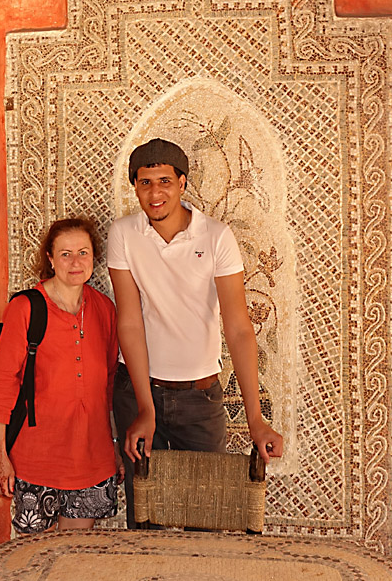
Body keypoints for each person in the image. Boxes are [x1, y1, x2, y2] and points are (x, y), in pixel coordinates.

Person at [107, 138, 284, 527]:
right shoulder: (124, 234)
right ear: (135, 186)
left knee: (207, 522)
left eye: (165, 181)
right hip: (137, 390)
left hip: (200, 399)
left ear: (183, 183)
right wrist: (145, 409)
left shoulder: (217, 237)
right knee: (145, 519)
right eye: (145, 183)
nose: (156, 193)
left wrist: (256, 420)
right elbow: (130, 322)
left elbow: (238, 328)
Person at [0, 218, 122, 534]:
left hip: (91, 459)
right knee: (35, 563)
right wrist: (0, 456)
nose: (76, 262)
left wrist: (114, 444)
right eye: (65, 254)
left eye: (83, 253)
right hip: (36, 461)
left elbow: (109, 383)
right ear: (49, 258)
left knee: (73, 559)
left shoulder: (105, 309)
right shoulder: (26, 308)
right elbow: (0, 383)